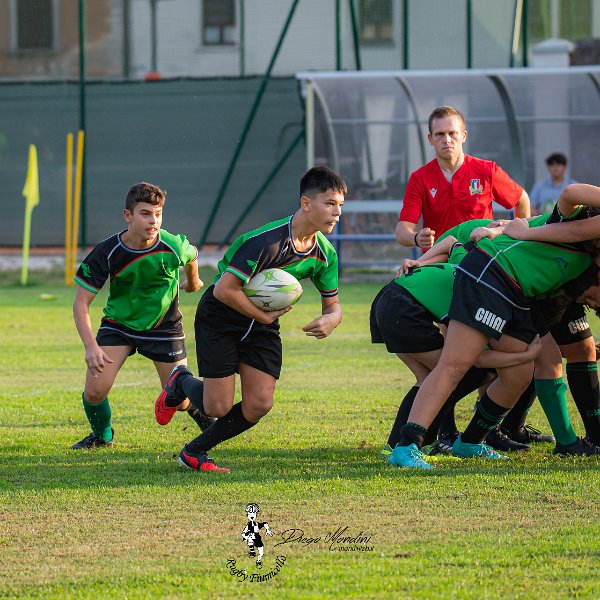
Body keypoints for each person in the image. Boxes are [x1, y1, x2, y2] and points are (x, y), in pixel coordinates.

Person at [389, 185, 600, 468]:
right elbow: (571, 193)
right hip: (490, 272)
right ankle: (406, 446)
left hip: (513, 290)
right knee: (455, 365)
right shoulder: (567, 220)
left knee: (521, 372)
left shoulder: (588, 257)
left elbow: (520, 227)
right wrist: (515, 231)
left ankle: (471, 441)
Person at [154, 166, 346, 473]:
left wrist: (331, 319)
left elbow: (333, 305)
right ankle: (180, 381)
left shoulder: (324, 253)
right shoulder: (265, 243)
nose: (337, 213)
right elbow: (224, 290)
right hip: (221, 315)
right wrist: (265, 316)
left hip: (262, 323)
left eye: (340, 206)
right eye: (330, 204)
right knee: (216, 406)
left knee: (260, 403)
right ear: (306, 204)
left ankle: (195, 450)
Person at [371, 226, 541, 459]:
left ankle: (397, 446)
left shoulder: (475, 263)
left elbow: (451, 242)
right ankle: (412, 444)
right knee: (463, 374)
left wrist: (420, 262)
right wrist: (523, 357)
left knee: (429, 378)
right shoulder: (485, 287)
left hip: (390, 299)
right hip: (404, 307)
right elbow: (477, 360)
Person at [71, 182, 203, 449]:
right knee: (95, 391)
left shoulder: (172, 245)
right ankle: (102, 436)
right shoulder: (107, 252)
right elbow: (81, 304)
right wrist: (90, 346)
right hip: (119, 326)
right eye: (145, 213)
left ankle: (202, 417)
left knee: (177, 399)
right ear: (128, 215)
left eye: (158, 214)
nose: (153, 220)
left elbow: (192, 255)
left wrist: (194, 281)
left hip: (164, 327)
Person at [395, 105, 530, 251]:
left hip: (481, 258)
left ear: (463, 136)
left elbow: (521, 200)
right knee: (404, 273)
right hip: (439, 261)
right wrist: (416, 238)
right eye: (440, 134)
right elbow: (402, 231)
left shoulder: (487, 170)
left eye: (452, 133)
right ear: (430, 139)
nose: (446, 140)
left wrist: (518, 244)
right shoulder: (419, 178)